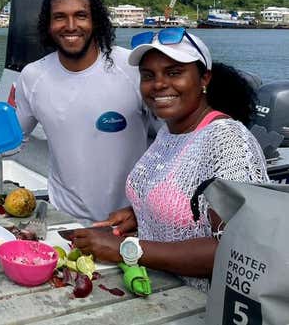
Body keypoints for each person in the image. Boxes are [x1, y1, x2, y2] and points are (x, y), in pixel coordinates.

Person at [71, 28, 269, 291]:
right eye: (148, 76)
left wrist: (127, 249)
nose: (159, 84)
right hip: (159, 289)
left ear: (204, 78)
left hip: (203, 306)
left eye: (174, 72)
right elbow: (187, 205)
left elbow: (239, 249)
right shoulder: (169, 130)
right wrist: (143, 213)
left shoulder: (228, 141)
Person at [0, 0, 151, 222]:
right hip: (65, 219)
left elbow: (171, 142)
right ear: (48, 24)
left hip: (131, 220)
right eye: (60, 17)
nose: (71, 25)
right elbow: (12, 141)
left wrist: (143, 211)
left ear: (95, 21)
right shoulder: (33, 76)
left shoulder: (132, 68)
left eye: (81, 15)